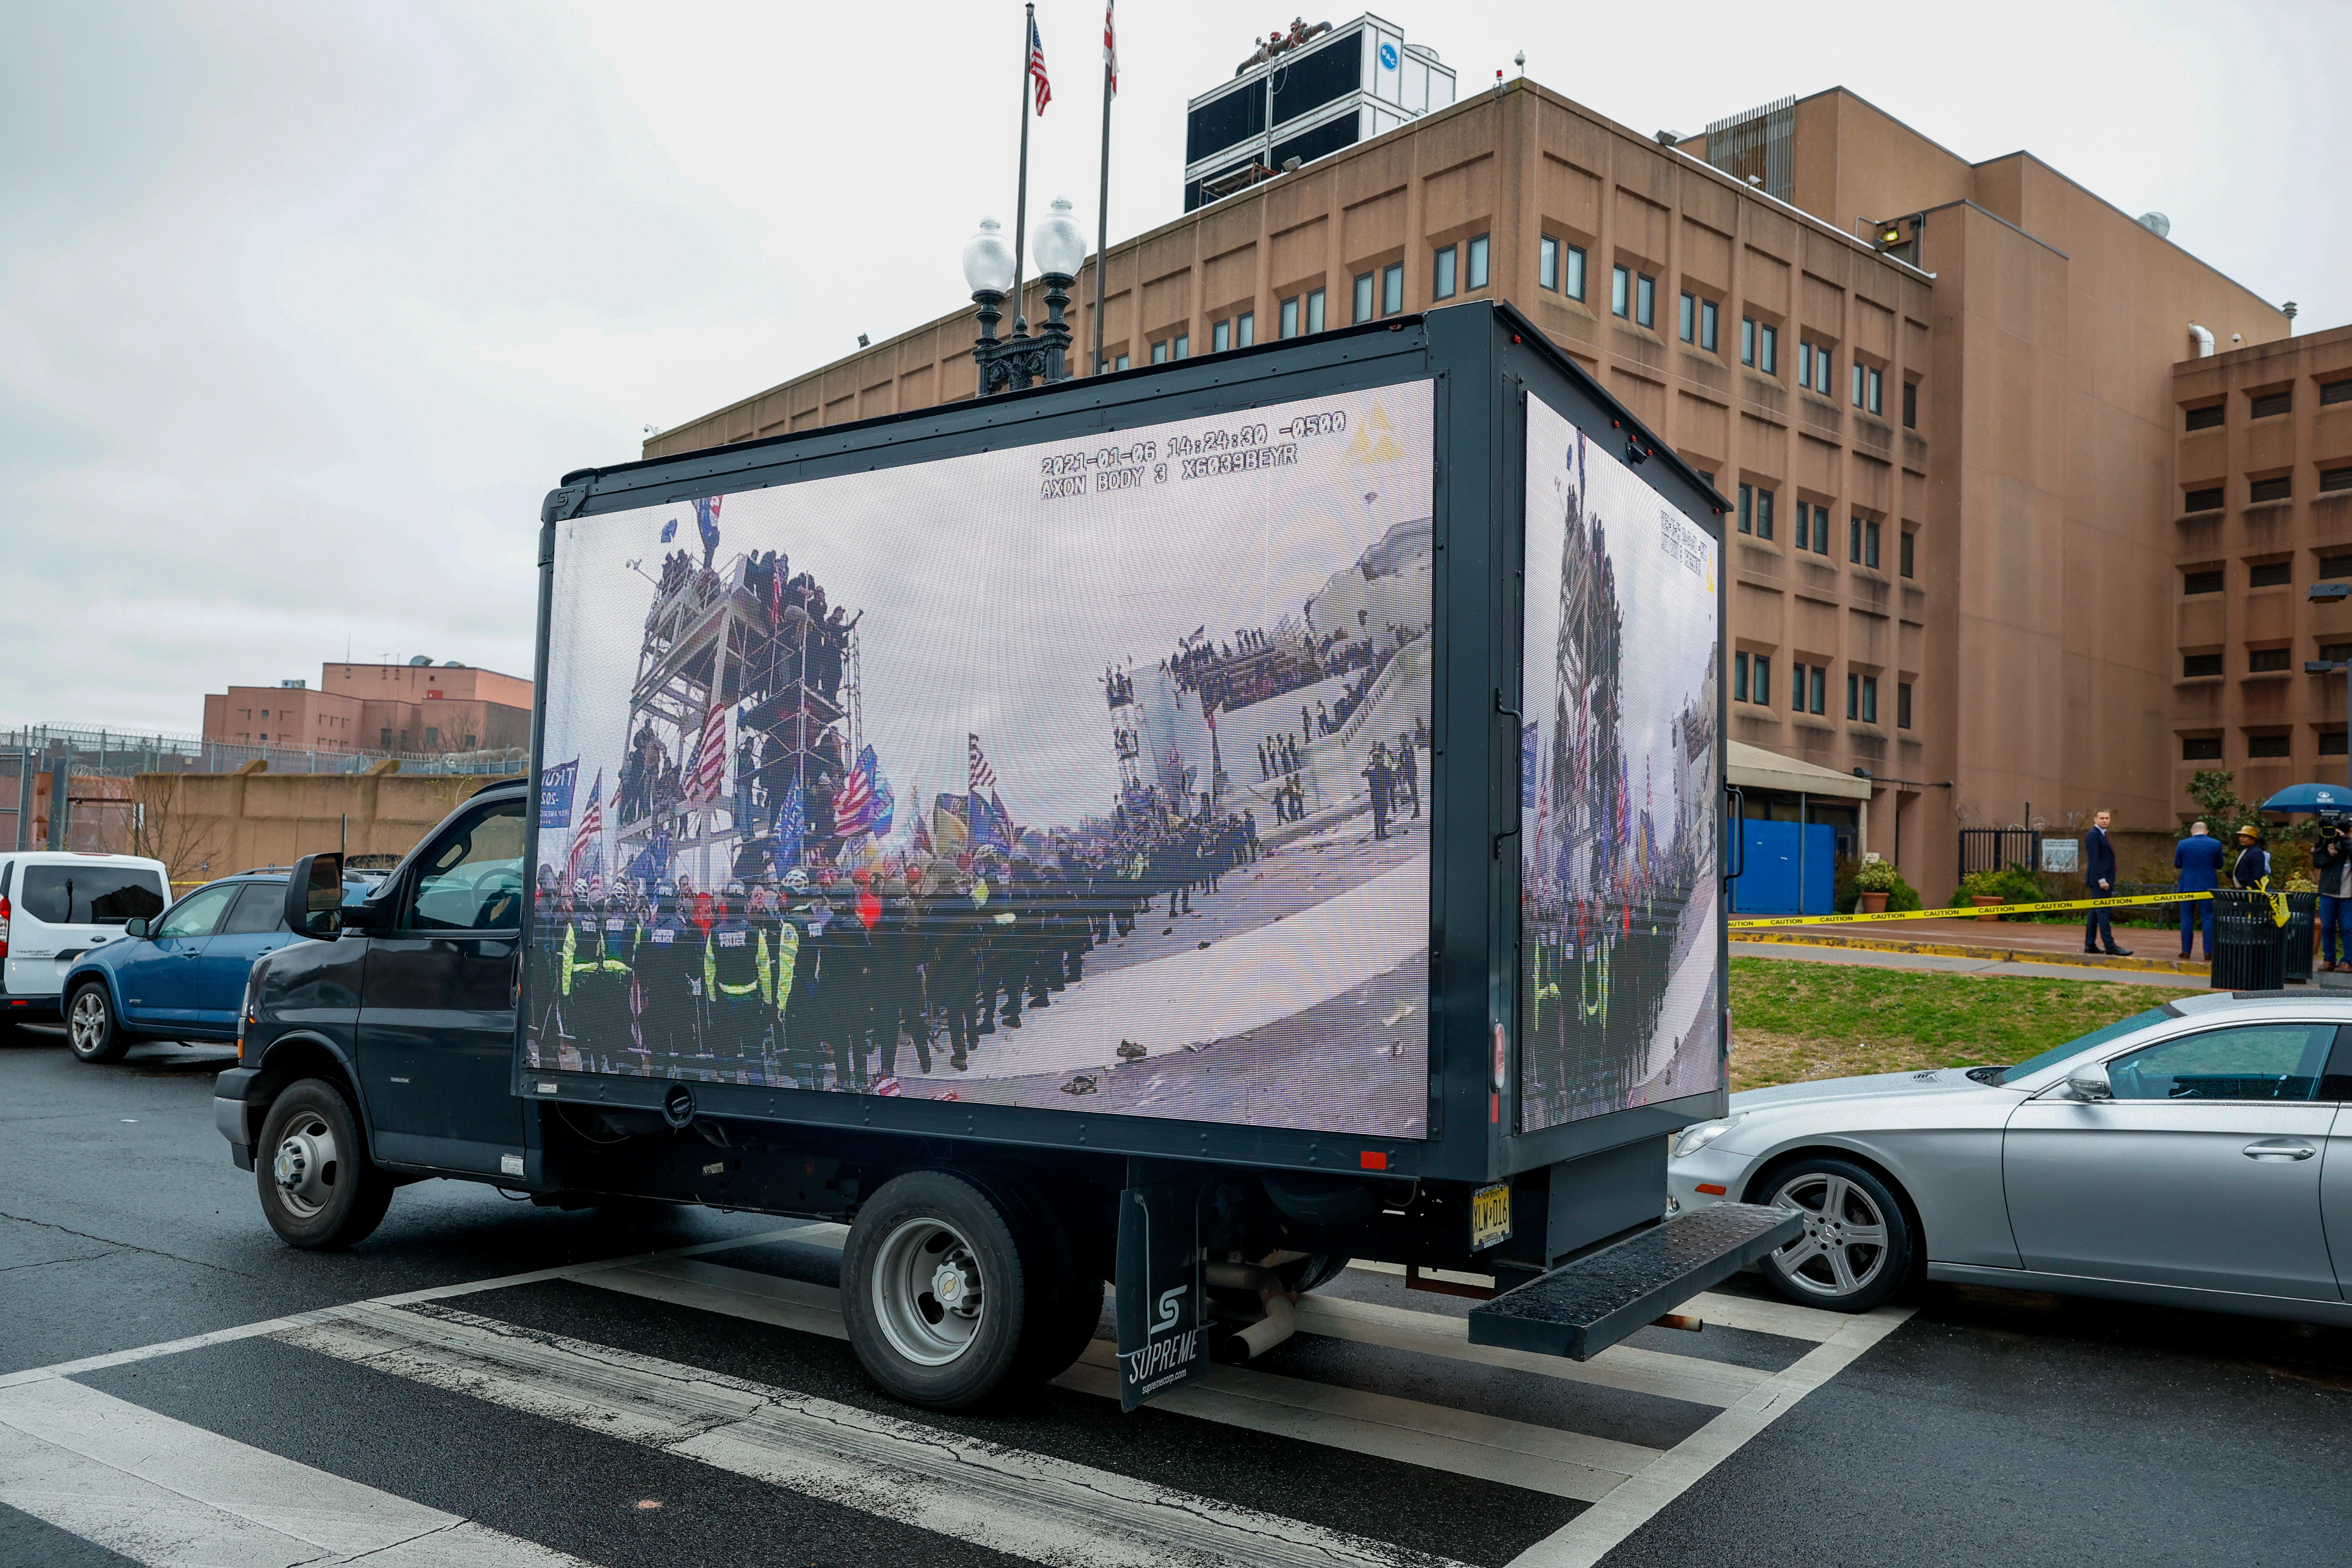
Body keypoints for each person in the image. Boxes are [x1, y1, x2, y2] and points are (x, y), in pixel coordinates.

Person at [2173, 819, 2226, 960]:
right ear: (2207, 832)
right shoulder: (2216, 844)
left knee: (2187, 919)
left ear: (2192, 832)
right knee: (2208, 919)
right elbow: (2220, 864)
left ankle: (2186, 951)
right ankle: (2209, 952)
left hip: (2187, 886)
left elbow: (2177, 864)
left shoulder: (2183, 844)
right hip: (2208, 886)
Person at [2082, 809, 2129, 956]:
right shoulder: (2093, 835)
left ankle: (2090, 945)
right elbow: (2095, 860)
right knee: (2103, 913)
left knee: (2095, 913)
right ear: (2095, 819)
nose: (2105, 821)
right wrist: (2102, 880)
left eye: (2107, 818)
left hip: (2105, 880)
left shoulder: (2103, 834)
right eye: (2102, 818)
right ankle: (2110, 946)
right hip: (2100, 882)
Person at [2315, 822, 2352, 972]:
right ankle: (2329, 960)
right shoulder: (2329, 842)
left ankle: (2348, 961)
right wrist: (2329, 853)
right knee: (2327, 927)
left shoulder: (2347, 844)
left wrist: (2345, 839)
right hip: (2328, 892)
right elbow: (2317, 862)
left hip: (2349, 894)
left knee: (2348, 928)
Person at [2232, 823, 2272, 889]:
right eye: (2240, 837)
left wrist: (2250, 887)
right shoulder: (2247, 850)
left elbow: (2258, 874)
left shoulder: (2256, 852)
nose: (2241, 839)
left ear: (2254, 839)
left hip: (2250, 891)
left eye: (2245, 837)